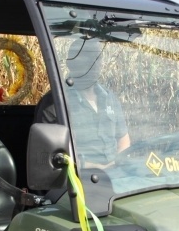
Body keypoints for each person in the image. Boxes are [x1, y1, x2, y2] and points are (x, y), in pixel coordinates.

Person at [37, 37, 130, 169]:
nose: (96, 64)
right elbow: (47, 155)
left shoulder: (110, 98)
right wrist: (92, 167)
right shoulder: (55, 102)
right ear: (72, 64)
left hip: (116, 177)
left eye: (98, 59)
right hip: (78, 181)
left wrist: (118, 166)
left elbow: (123, 139)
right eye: (89, 59)